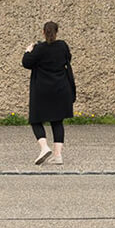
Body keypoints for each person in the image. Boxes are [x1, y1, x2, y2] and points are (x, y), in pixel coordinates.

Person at [22, 20, 76, 166]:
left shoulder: (39, 49)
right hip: (61, 89)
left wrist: (28, 51)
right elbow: (68, 58)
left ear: (43, 32)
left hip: (42, 91)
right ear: (56, 32)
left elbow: (26, 63)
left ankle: (44, 147)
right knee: (57, 121)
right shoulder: (63, 46)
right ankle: (58, 156)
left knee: (35, 120)